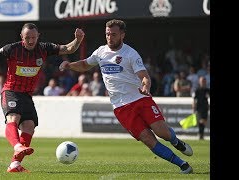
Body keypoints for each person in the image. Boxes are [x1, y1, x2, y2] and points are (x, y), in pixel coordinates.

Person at [59, 19, 193, 174]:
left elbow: (144, 76)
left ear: (122, 35)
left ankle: (177, 142)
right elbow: (85, 64)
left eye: (113, 34)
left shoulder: (130, 54)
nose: (110, 37)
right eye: (107, 34)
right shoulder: (100, 52)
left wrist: (146, 86)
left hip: (140, 99)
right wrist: (69, 65)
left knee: (162, 132)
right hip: (121, 107)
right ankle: (182, 164)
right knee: (148, 140)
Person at [0, 23, 85, 173]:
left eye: (33, 37)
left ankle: (14, 165)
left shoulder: (44, 48)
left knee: (29, 126)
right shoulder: (11, 49)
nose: (31, 41)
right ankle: (17, 146)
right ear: (22, 37)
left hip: (26, 95)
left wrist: (78, 40)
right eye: (27, 38)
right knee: (13, 117)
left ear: (38, 36)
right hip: (11, 91)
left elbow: (69, 48)